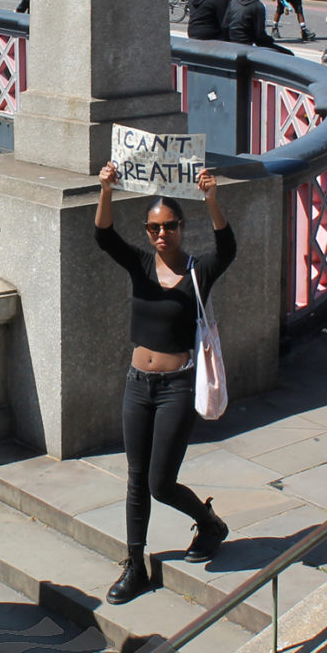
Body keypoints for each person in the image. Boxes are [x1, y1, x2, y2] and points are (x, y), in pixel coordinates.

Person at [94, 166, 236, 604]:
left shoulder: (198, 272)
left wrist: (211, 197)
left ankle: (208, 521)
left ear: (180, 228)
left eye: (168, 227)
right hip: (138, 384)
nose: (160, 234)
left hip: (177, 386)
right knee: (136, 478)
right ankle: (136, 564)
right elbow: (104, 237)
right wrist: (105, 190)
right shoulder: (140, 264)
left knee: (160, 481)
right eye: (153, 227)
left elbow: (227, 247)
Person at [223, 0, 293, 53]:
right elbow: (259, 38)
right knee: (288, 54)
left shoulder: (234, 1)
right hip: (246, 48)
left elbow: (225, 26)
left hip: (230, 45)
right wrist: (270, 40)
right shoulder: (258, 6)